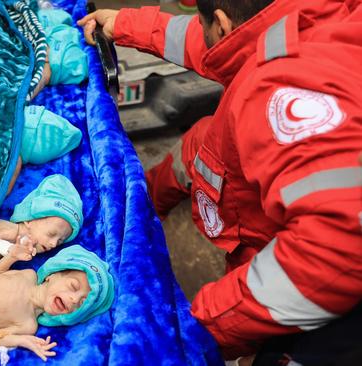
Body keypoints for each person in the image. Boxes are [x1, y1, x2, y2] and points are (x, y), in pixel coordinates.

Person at [78, 0, 362, 363]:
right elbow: (219, 43)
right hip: (225, 148)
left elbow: (334, 250)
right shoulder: (302, 14)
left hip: (273, 248)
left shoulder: (286, 95)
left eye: (203, 20)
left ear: (224, 23)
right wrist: (126, 24)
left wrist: (207, 324)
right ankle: (143, 201)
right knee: (198, 143)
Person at [0, 244, 114, 361]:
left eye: (80, 304)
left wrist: (22, 341)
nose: (74, 299)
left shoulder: (28, 325)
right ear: (52, 275)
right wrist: (11, 257)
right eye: (73, 286)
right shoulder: (28, 275)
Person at [0, 174, 83, 261]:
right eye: (51, 234)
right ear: (29, 221)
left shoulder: (24, 247)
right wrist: (5, 248)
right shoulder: (12, 231)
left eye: (60, 241)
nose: (53, 244)